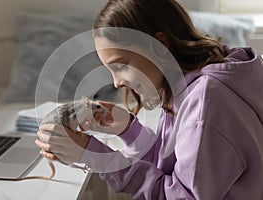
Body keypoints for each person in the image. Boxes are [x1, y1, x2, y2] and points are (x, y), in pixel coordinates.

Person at [35, 0, 263, 199]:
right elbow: (172, 169)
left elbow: (181, 196)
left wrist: (97, 157)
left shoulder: (207, 102)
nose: (116, 83)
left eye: (121, 65)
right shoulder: (185, 84)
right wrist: (129, 131)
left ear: (160, 46)